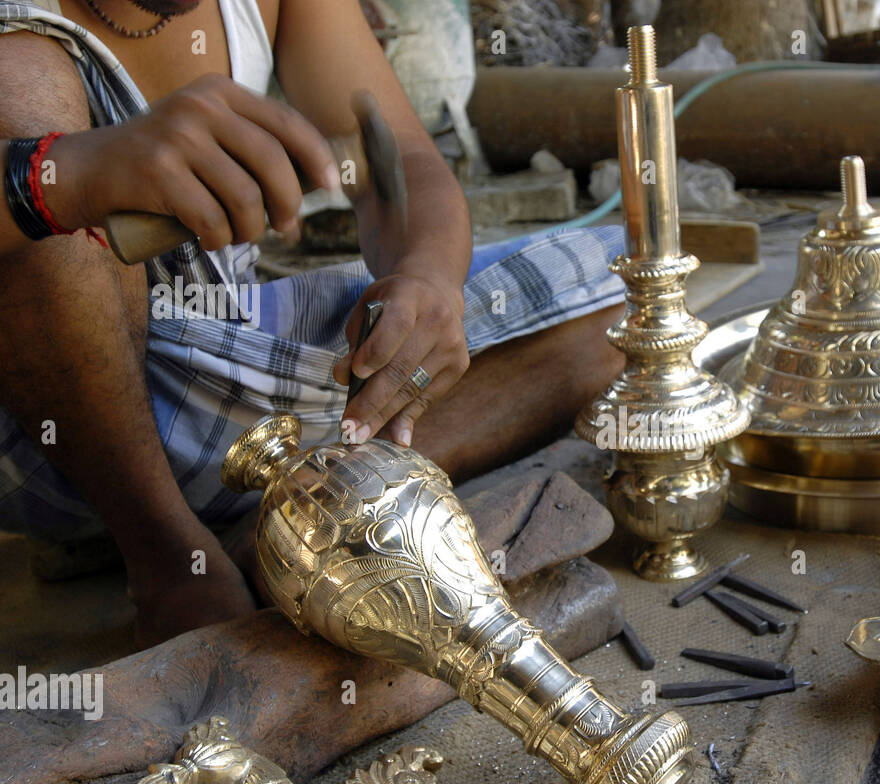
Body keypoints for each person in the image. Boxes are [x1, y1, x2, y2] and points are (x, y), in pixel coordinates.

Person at [0, 0, 627, 643]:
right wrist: (59, 180)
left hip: (221, 387)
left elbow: (401, 161)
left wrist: (429, 281)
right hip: (43, 416)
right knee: (18, 76)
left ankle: (286, 520)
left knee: (623, 291)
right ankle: (164, 555)